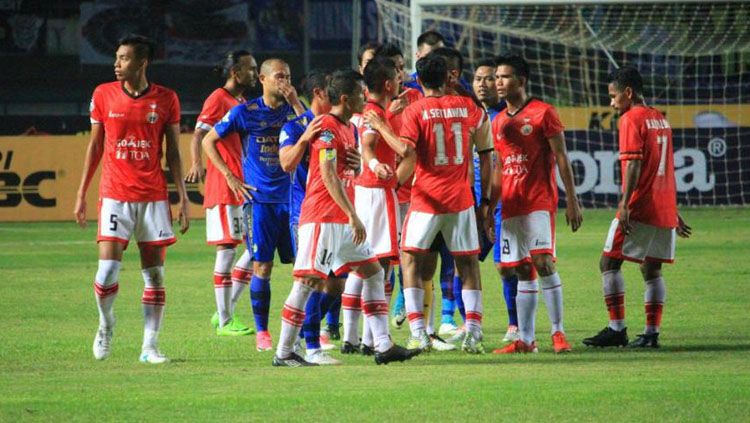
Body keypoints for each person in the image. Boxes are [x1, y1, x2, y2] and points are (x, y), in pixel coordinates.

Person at [272, 69, 420, 366]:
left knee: (373, 271)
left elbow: (340, 168)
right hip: (324, 217)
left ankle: (382, 344)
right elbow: (327, 174)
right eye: (359, 93)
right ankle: (285, 351)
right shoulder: (326, 126)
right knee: (307, 283)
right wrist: (354, 214)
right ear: (344, 98)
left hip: (340, 219)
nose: (364, 97)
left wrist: (353, 163)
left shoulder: (348, 128)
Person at [75, 34, 189, 364]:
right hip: (115, 195)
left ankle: (149, 347)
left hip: (153, 197)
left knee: (154, 276)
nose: (117, 63)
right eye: (116, 57)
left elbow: (174, 154)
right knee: (107, 270)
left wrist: (181, 197)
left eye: (124, 58)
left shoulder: (167, 99)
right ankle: (106, 324)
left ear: (142, 62)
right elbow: (95, 147)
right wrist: (82, 193)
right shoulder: (103, 95)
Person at [582, 66, 691, 349]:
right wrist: (673, 209)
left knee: (608, 262)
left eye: (613, 96)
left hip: (640, 206)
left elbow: (634, 164)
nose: (611, 103)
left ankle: (617, 328)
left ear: (628, 93)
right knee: (651, 270)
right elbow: (664, 168)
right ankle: (651, 334)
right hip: (663, 208)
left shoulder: (632, 118)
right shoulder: (660, 119)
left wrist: (625, 204)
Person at [201, 58, 305, 352]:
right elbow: (208, 140)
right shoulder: (245, 112)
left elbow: (313, 131)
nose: (284, 81)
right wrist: (230, 176)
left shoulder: (293, 109)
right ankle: (263, 333)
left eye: (288, 76)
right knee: (262, 266)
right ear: (263, 79)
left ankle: (303, 331)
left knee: (304, 268)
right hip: (259, 202)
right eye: (279, 76)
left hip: (293, 201)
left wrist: (297, 103)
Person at [398, 54, 494, 354]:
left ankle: (418, 332)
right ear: (448, 78)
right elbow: (487, 153)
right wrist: (486, 199)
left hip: (426, 198)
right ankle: (474, 332)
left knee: (410, 259)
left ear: (420, 79)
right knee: (467, 264)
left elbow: (407, 152)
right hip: (461, 198)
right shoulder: (469, 109)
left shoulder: (414, 111)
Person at [491, 55, 582, 354]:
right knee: (521, 270)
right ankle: (526, 340)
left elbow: (561, 157)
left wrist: (572, 200)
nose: (498, 83)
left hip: (539, 201)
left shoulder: (544, 113)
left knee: (542, 262)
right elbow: (500, 166)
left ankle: (558, 333)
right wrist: (490, 205)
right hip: (511, 204)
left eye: (504, 77)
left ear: (521, 80)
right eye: (497, 78)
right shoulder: (499, 121)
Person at [278, 70, 351, 364]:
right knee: (310, 281)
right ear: (320, 93)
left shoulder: (339, 126)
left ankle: (301, 334)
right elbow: (286, 163)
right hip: (305, 213)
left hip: (335, 214)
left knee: (336, 283)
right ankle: (309, 345)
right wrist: (304, 139)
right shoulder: (296, 126)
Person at [188, 50, 258, 336]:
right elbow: (199, 134)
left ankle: (223, 312)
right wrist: (196, 163)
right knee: (227, 249)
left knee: (256, 248)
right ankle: (226, 321)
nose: (254, 73)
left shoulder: (241, 102)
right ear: (235, 72)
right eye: (250, 69)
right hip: (224, 183)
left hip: (243, 183)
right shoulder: (218, 98)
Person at [471, 58, 519, 343]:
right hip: (473, 201)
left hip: (501, 202)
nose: (483, 84)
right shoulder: (468, 113)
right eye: (478, 78)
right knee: (464, 261)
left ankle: (513, 325)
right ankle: (468, 324)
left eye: (489, 78)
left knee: (505, 266)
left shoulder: (508, 116)